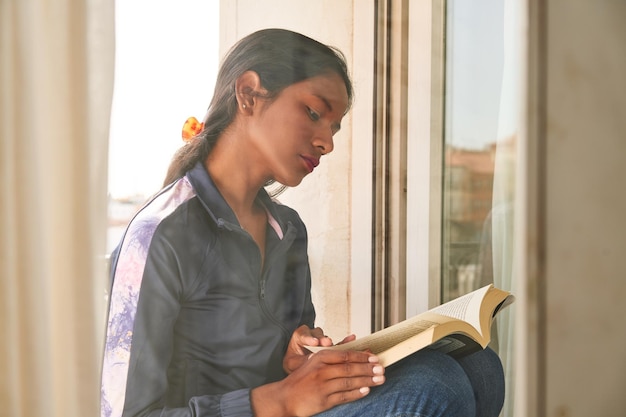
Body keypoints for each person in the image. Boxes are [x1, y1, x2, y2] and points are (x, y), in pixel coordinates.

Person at [101, 28, 505, 417]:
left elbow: (284, 373)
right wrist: (280, 401)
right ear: (249, 95)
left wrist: (296, 357)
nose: (326, 142)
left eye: (333, 127)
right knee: (433, 389)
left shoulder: (288, 230)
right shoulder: (159, 235)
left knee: (480, 368)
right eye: (314, 113)